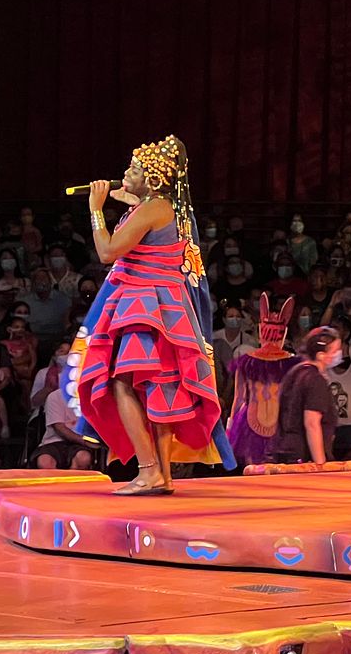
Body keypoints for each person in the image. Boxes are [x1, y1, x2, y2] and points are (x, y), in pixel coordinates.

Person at [73, 135, 235, 494]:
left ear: (154, 180)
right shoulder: (162, 206)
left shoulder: (152, 208)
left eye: (134, 170)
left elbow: (107, 252)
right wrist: (127, 196)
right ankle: (162, 474)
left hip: (145, 305)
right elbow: (140, 205)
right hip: (162, 306)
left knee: (122, 383)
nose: (125, 173)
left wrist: (95, 209)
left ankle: (148, 470)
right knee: (156, 387)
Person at [227, 294, 299, 466]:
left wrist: (230, 427)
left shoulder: (246, 362)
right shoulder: (292, 364)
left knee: (253, 467)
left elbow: (239, 398)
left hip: (251, 421)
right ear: (284, 335)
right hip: (280, 425)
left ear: (260, 332)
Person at [268, 327, 341, 465]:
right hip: (303, 457)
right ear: (321, 355)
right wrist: (320, 464)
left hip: (286, 450)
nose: (338, 354)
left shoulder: (295, 372)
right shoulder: (315, 380)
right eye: (335, 351)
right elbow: (312, 423)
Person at [31, 384, 97, 471]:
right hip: (53, 442)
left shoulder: (92, 396)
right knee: (45, 462)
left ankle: (73, 479)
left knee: (83, 459)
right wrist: (84, 441)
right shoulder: (55, 396)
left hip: (79, 445)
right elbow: (59, 427)